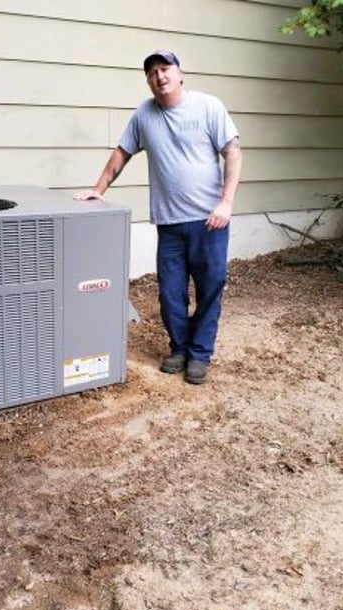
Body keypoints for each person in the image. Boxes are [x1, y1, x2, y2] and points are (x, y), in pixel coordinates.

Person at [75, 49, 242, 385]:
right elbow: (122, 152)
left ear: (180, 73)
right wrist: (99, 189)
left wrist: (226, 203)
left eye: (165, 69)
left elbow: (233, 152)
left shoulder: (209, 106)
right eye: (152, 72)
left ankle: (199, 354)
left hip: (210, 222)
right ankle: (179, 348)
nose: (159, 76)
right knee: (170, 294)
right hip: (169, 224)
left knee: (210, 290)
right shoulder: (144, 115)